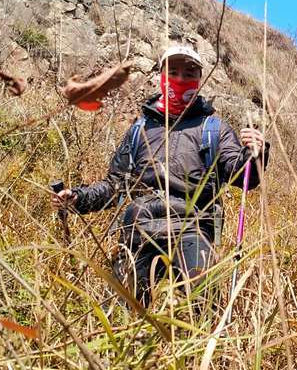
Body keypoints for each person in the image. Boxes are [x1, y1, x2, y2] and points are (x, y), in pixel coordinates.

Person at [52, 45, 268, 306]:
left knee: (203, 305)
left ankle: (205, 344)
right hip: (138, 226)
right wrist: (78, 198)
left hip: (192, 226)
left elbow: (243, 178)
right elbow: (116, 185)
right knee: (123, 313)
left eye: (189, 73)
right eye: (173, 71)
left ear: (199, 79)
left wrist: (256, 153)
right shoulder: (139, 128)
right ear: (161, 75)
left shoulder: (214, 128)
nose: (180, 79)